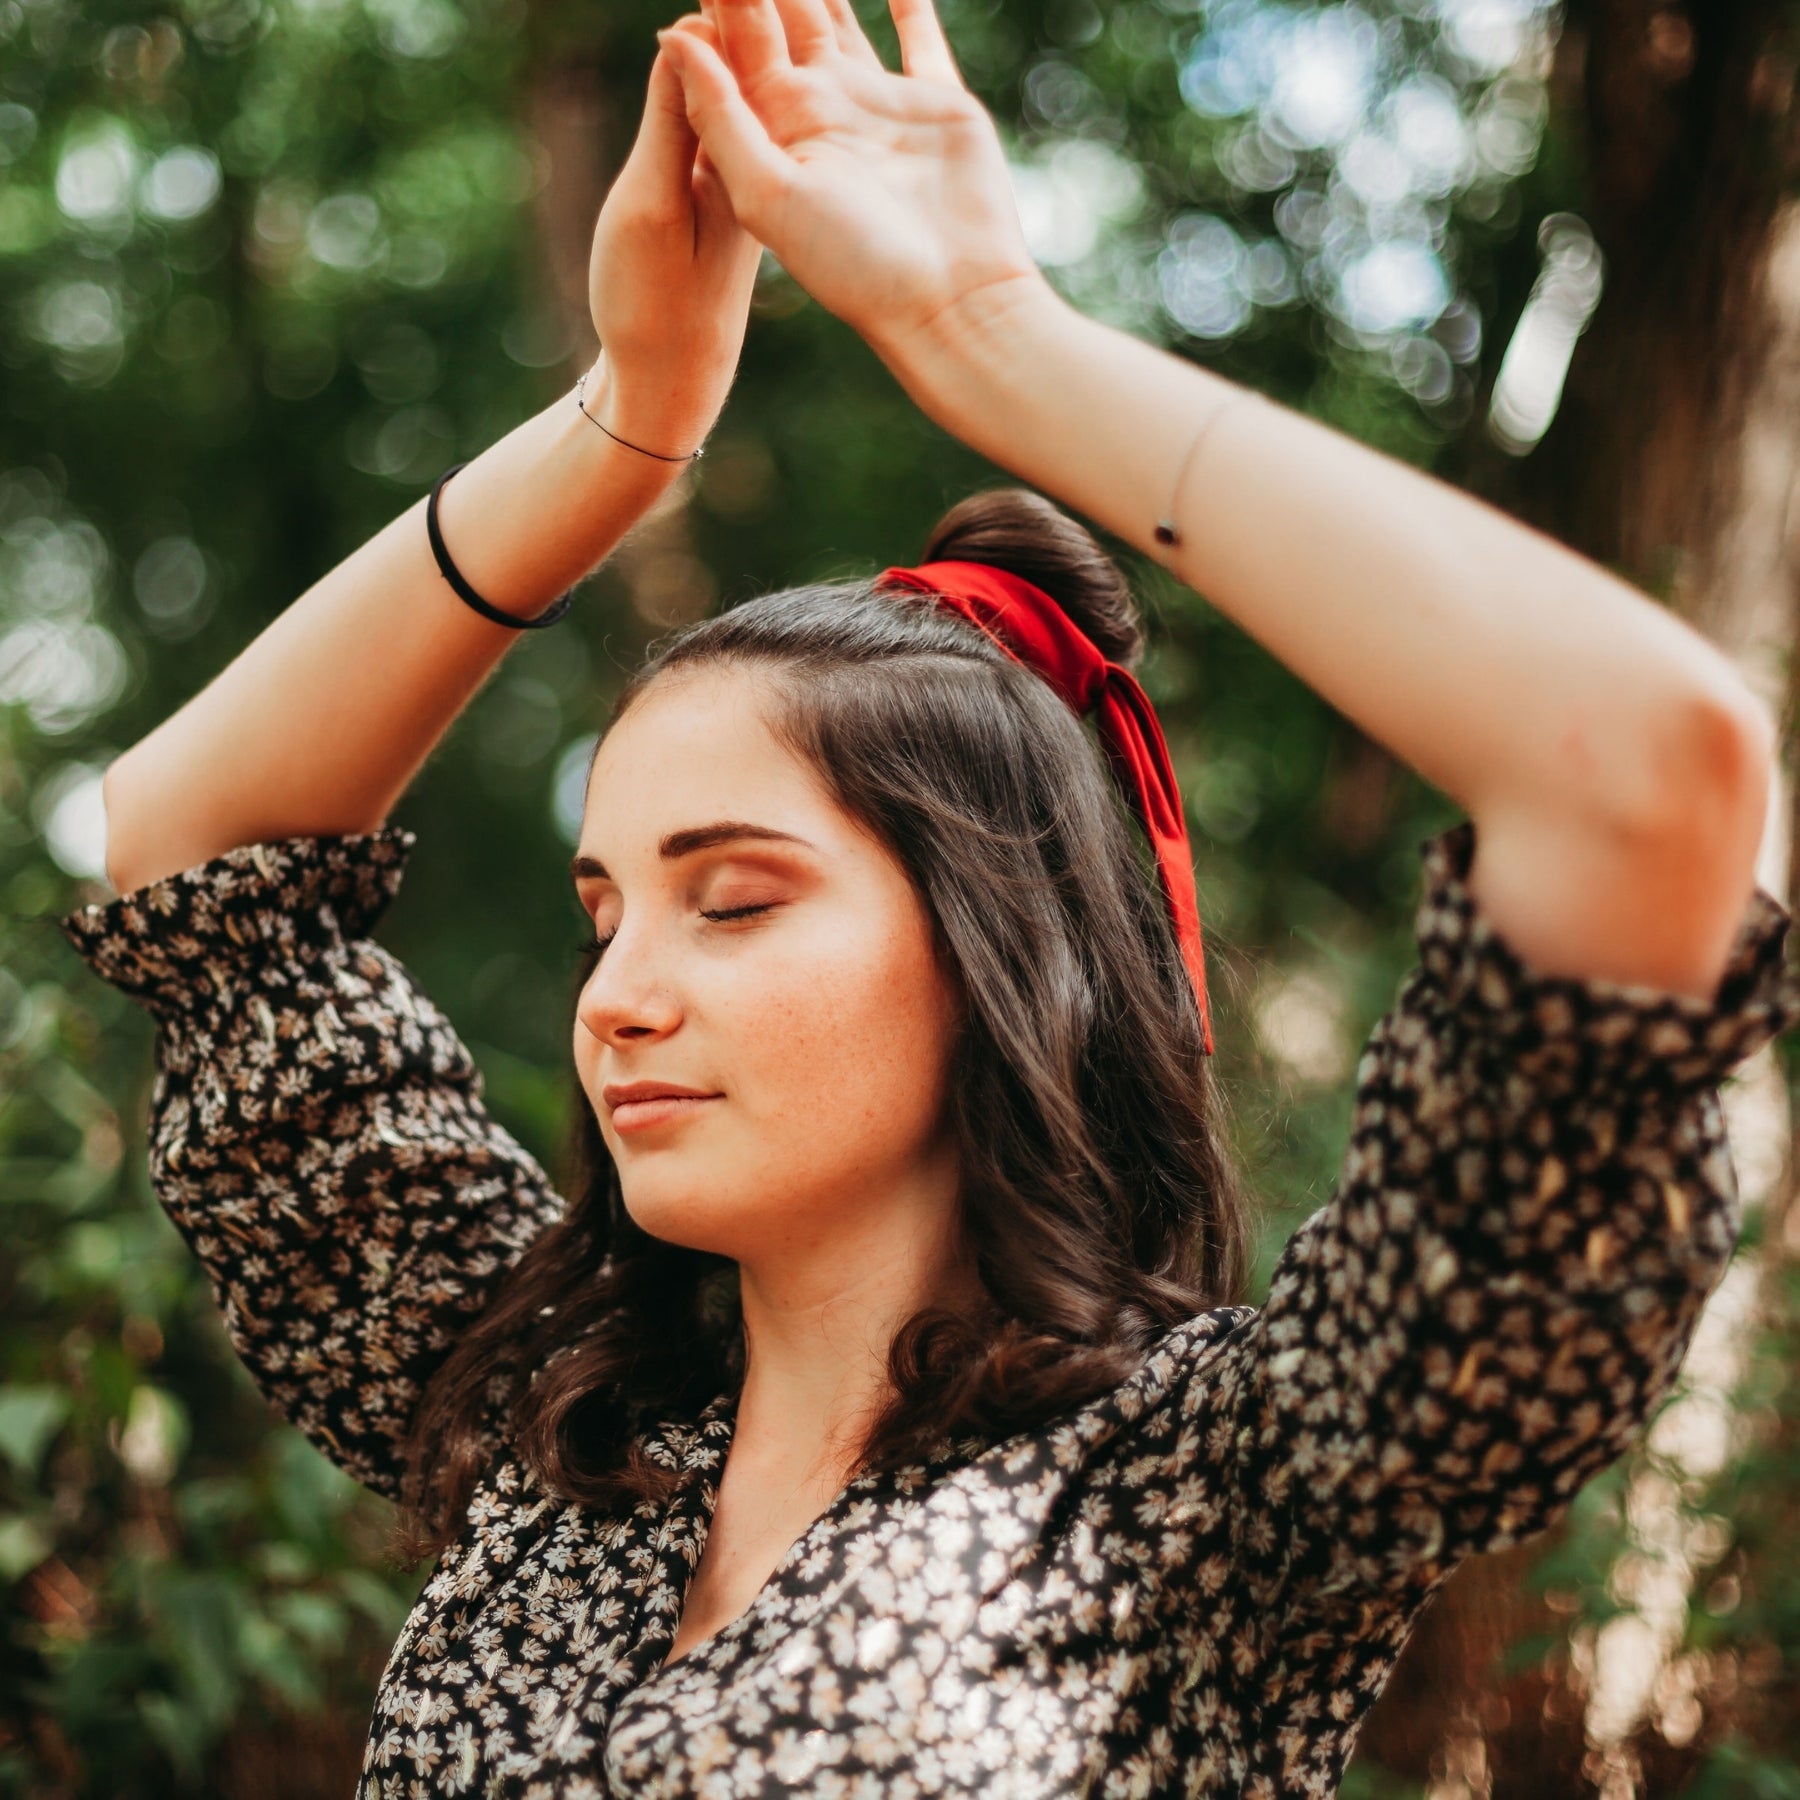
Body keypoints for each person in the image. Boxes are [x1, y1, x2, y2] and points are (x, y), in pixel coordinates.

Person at [58, 0, 1800, 1789]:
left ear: (1001, 957)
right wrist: (624, 418)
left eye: (731, 903)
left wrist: (986, 333)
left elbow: (1647, 764)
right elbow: (195, 865)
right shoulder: (558, 1424)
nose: (617, 997)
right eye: (607, 916)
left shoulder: (1218, 1493)